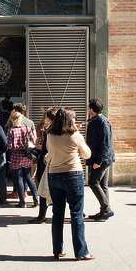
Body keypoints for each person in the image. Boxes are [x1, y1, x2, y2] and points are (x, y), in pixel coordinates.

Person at [46, 107, 93, 261]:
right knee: (76, 214)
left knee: (57, 213)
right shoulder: (75, 135)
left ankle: (57, 250)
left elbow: (50, 152)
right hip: (73, 174)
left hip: (54, 174)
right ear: (69, 120)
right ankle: (81, 252)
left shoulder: (50, 135)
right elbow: (87, 154)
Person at [85, 98, 115, 221]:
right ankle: (104, 212)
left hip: (102, 159)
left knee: (93, 182)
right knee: (103, 185)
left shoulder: (101, 121)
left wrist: (98, 161)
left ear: (92, 109)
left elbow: (105, 143)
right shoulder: (97, 120)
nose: (87, 110)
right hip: (103, 158)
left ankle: (106, 209)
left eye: (88, 108)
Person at [6, 104, 37, 209]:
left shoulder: (11, 130)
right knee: (28, 177)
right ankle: (36, 200)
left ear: (12, 119)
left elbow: (9, 146)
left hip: (16, 156)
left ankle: (22, 202)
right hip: (27, 155)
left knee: (18, 178)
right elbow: (34, 141)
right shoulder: (27, 128)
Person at [29, 108, 57, 224]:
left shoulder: (49, 131)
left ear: (49, 119)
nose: (44, 119)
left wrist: (37, 148)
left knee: (43, 189)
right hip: (52, 162)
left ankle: (42, 215)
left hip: (46, 163)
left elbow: (46, 149)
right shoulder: (58, 130)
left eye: (46, 117)